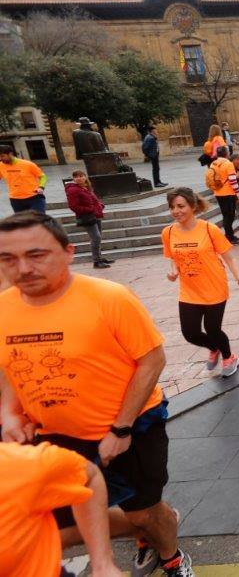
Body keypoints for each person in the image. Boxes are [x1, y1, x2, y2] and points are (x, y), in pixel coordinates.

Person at [0, 211, 194, 577]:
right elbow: (11, 364)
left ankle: (170, 555)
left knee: (143, 512)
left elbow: (152, 361)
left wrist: (120, 429)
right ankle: (144, 530)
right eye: (8, 258)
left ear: (69, 252)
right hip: (54, 435)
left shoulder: (109, 297)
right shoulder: (3, 308)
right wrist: (9, 413)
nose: (23, 268)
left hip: (130, 427)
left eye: (36, 254)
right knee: (63, 518)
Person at [163, 187, 239, 377]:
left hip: (214, 288)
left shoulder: (208, 229)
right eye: (172, 207)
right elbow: (173, 256)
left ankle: (230, 356)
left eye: (181, 206)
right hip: (189, 291)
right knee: (190, 333)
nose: (176, 211)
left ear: (193, 206)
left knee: (212, 329)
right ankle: (214, 348)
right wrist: (173, 272)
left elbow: (229, 258)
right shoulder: (168, 232)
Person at [0, 441, 122, 577]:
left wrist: (103, 565)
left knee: (140, 515)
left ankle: (142, 531)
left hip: (88, 440)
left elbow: (88, 476)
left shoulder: (12, 467)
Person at [65, 170, 112, 269]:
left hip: (95, 214)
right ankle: (96, 261)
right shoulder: (73, 190)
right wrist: (89, 209)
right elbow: (73, 206)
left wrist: (99, 206)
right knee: (96, 237)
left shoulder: (86, 187)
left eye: (81, 176)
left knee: (98, 237)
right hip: (86, 216)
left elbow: (93, 200)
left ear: (85, 177)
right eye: (76, 176)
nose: (79, 178)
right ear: (73, 179)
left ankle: (99, 257)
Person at [207, 146, 239, 245]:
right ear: (227, 153)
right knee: (229, 216)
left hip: (218, 193)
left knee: (226, 215)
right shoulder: (228, 164)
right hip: (228, 193)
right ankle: (229, 237)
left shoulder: (214, 163)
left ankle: (229, 235)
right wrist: (238, 195)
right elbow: (233, 181)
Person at [0, 143, 47, 213]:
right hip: (15, 200)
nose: (0, 159)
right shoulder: (1, 166)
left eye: (2, 156)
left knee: (38, 221)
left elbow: (43, 176)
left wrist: (41, 187)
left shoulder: (28, 164)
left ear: (10, 154)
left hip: (34, 198)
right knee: (23, 223)